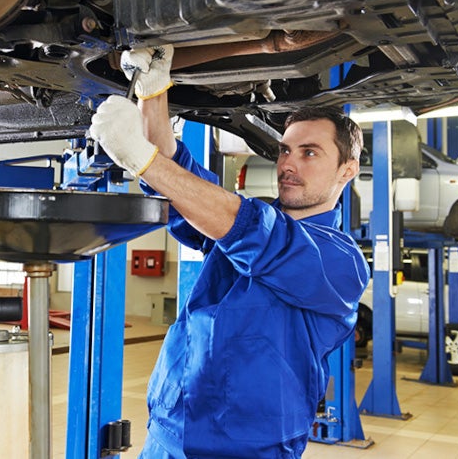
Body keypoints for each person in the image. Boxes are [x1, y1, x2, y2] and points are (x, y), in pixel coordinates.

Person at [90, 45, 370, 458]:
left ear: (347, 169)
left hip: (248, 449)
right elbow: (184, 186)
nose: (289, 164)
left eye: (309, 153)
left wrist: (139, 157)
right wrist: (154, 92)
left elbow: (253, 233)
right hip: (171, 431)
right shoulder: (239, 216)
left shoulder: (341, 262)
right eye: (285, 150)